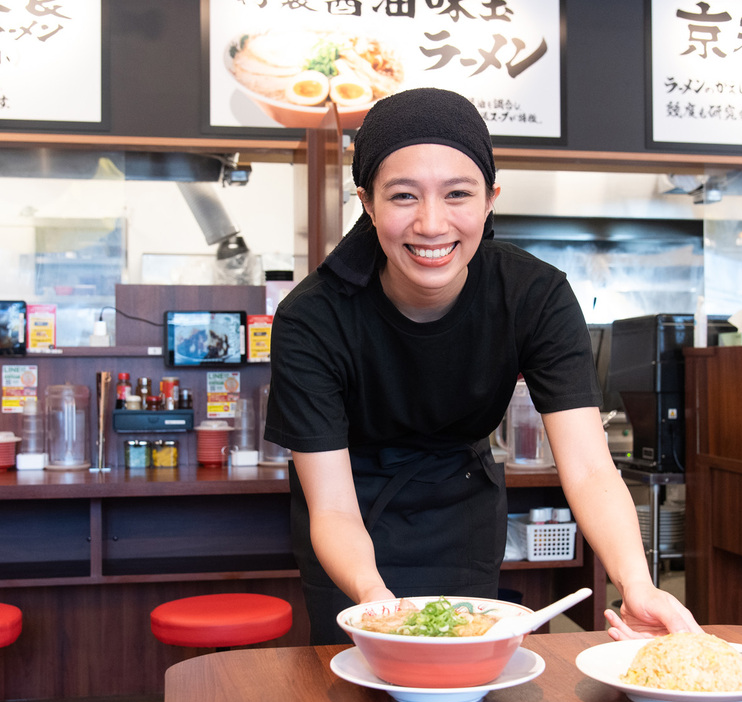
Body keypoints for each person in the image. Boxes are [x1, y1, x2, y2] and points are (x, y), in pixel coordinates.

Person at [264, 87, 700, 645]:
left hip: (461, 506)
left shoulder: (533, 296)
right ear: (367, 203)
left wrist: (636, 583)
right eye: (402, 196)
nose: (431, 223)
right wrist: (375, 603)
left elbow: (591, 468)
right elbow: (332, 506)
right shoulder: (313, 318)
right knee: (362, 681)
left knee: (466, 676)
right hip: (350, 523)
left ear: (490, 198)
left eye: (458, 194)